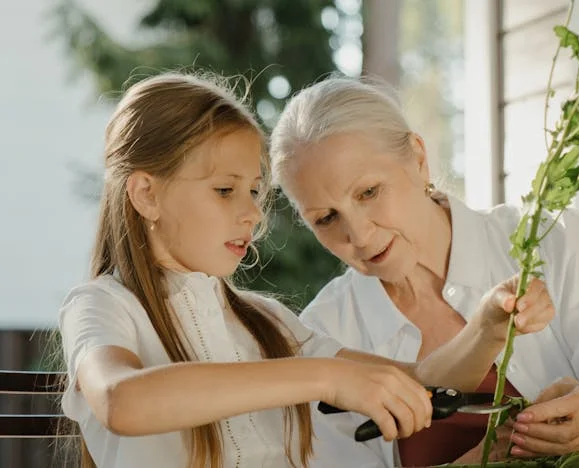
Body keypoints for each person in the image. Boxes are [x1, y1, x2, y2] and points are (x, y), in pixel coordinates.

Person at [57, 72, 553, 468]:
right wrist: (323, 377)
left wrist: (488, 326)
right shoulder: (103, 305)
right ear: (146, 194)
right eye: (226, 190)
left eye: (254, 191)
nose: (252, 213)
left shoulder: (264, 319)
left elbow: (418, 384)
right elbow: (122, 401)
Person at [269, 76, 579, 467]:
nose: (357, 234)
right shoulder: (323, 334)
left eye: (369, 192)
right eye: (325, 218)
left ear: (418, 159)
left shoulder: (553, 241)